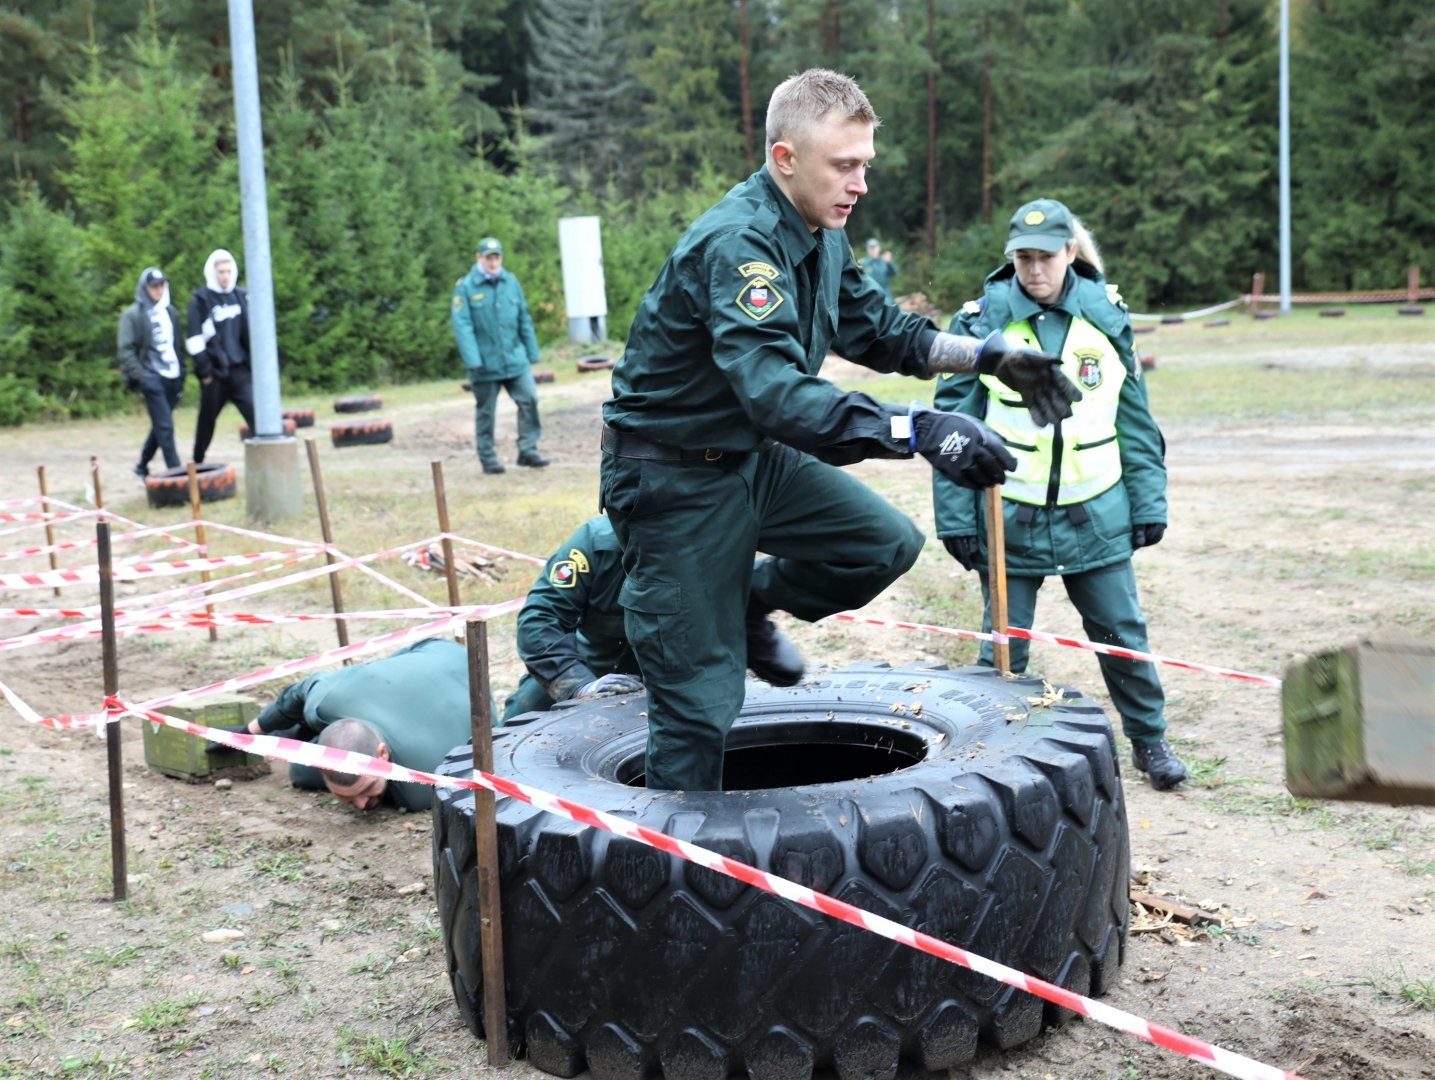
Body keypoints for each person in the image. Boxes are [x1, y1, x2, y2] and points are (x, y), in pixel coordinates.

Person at [600, 69, 1080, 792]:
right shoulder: (739, 244)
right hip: (673, 479)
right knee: (699, 705)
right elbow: (777, 396)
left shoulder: (820, 231)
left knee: (881, 544)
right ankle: (676, 855)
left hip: (749, 457)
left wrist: (988, 355)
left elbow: (878, 328)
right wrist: (918, 428)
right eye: (844, 165)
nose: (860, 184)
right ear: (785, 158)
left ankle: (746, 600)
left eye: (865, 165)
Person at [931, 198, 1188, 790]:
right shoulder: (981, 323)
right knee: (1003, 648)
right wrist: (956, 519)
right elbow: (952, 428)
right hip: (1010, 516)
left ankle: (1150, 742)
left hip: (1097, 513)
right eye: (1023, 257)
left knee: (1122, 635)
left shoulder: (1107, 317)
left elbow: (1134, 418)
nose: (1034, 269)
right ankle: (990, 758)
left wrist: (1149, 501)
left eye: (1045, 257)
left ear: (1071, 252)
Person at [206, 639, 480, 810]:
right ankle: (300, 731)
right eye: (346, 798)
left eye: (367, 789)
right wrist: (249, 733)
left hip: (447, 655)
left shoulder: (415, 791)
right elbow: (298, 693)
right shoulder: (327, 697)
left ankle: (298, 733)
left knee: (302, 772)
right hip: (442, 662)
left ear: (383, 755)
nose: (360, 805)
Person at [501, 514, 643, 722]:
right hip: (586, 666)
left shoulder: (692, 547)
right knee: (512, 731)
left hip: (668, 676)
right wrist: (579, 686)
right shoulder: (596, 542)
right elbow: (539, 620)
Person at [451, 237, 548, 474]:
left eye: (497, 257)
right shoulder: (466, 287)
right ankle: (488, 458)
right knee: (486, 412)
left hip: (515, 358)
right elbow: (462, 326)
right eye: (489, 258)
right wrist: (473, 360)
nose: (493, 263)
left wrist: (532, 352)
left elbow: (524, 317)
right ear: (479, 258)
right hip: (485, 363)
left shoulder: (511, 281)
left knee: (529, 400)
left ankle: (528, 450)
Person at [186, 249, 255, 463]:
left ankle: (266, 459)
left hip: (240, 371)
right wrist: (205, 371)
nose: (225, 276)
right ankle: (197, 463)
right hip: (215, 374)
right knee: (207, 421)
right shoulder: (201, 300)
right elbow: (194, 340)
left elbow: (250, 334)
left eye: (228, 271)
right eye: (221, 272)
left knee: (256, 415)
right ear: (212, 272)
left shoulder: (241, 296)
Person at [118, 267, 186, 478]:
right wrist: (141, 377)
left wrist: (182, 374)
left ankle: (141, 467)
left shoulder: (171, 313)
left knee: (160, 425)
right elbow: (125, 349)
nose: (158, 290)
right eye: (153, 286)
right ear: (144, 288)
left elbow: (178, 346)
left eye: (161, 285)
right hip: (151, 377)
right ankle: (177, 474)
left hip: (172, 378)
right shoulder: (132, 315)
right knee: (166, 426)